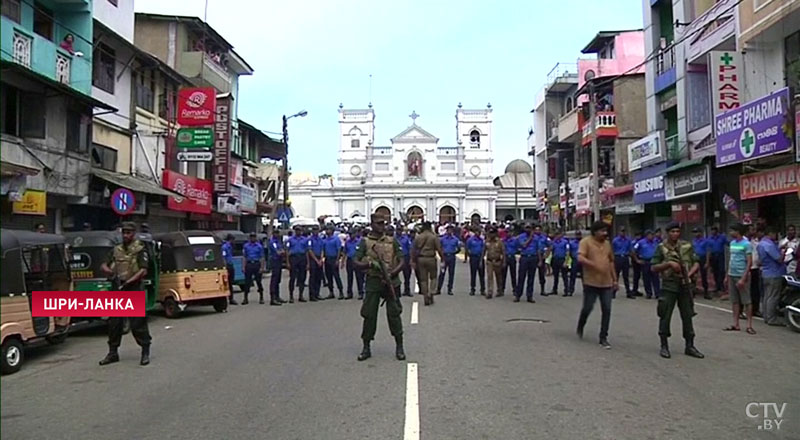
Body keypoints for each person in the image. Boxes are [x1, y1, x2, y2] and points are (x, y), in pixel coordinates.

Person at [99, 222, 152, 366]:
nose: (126, 235)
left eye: (128, 233)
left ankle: (145, 351)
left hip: (133, 288)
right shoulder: (116, 249)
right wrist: (108, 271)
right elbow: (104, 264)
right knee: (114, 323)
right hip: (118, 288)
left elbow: (143, 270)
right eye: (124, 232)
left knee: (137, 323)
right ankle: (112, 352)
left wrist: (129, 281)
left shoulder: (140, 249)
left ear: (133, 233)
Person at [354, 214, 405, 361]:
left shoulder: (392, 241)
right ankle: (366, 346)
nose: (382, 226)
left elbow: (402, 260)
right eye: (378, 223)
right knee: (369, 315)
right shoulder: (365, 242)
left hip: (391, 282)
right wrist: (370, 264)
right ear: (372, 224)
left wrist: (392, 273)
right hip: (373, 281)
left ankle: (399, 346)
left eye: (383, 223)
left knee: (394, 314)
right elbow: (355, 261)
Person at [651, 223, 705, 359]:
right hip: (669, 286)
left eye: (677, 231)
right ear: (667, 233)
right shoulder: (661, 248)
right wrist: (669, 264)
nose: (675, 234)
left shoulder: (687, 246)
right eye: (672, 231)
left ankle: (690, 345)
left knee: (687, 315)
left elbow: (696, 261)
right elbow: (654, 267)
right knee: (665, 315)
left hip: (685, 285)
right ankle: (664, 345)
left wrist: (690, 274)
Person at [576, 221, 616, 349]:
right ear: (595, 232)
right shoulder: (586, 242)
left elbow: (610, 262)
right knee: (588, 307)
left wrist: (615, 280)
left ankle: (603, 337)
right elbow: (580, 258)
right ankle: (581, 325)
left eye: (606, 231)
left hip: (606, 283)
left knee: (607, 309)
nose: (605, 233)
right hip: (591, 282)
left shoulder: (607, 244)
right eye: (602, 231)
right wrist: (594, 265)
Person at [724, 223, 755, 334]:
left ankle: (749, 325)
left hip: (742, 275)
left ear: (738, 231)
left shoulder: (746, 244)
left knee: (747, 301)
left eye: (732, 231)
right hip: (732, 274)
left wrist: (744, 278)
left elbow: (749, 262)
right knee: (735, 301)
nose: (731, 233)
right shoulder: (732, 243)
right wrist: (727, 275)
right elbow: (731, 260)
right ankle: (735, 324)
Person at [759, 226, 786, 326]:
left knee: (767, 296)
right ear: (770, 233)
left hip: (766, 272)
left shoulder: (761, 244)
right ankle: (771, 318)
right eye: (775, 234)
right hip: (774, 273)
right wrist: (783, 252)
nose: (776, 236)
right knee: (773, 297)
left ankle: (766, 316)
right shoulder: (769, 245)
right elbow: (778, 259)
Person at [412, 221, 443, 306]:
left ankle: (425, 295)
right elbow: (439, 249)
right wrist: (443, 259)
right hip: (431, 258)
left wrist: (413, 261)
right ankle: (431, 293)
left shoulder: (418, 237)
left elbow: (413, 250)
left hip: (421, 259)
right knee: (433, 277)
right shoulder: (433, 237)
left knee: (423, 279)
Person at [514, 224, 538, 303]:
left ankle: (529, 296)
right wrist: (530, 238)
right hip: (524, 257)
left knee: (531, 278)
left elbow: (538, 249)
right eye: (526, 228)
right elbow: (524, 245)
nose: (528, 229)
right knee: (521, 277)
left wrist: (540, 260)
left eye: (529, 228)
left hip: (533, 257)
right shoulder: (521, 237)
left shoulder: (536, 237)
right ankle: (518, 295)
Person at [632, 230, 659, 299]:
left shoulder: (655, 242)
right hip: (645, 261)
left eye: (652, 235)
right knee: (646, 278)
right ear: (647, 235)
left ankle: (657, 293)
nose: (652, 236)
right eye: (650, 235)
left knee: (655, 278)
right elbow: (633, 251)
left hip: (654, 261)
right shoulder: (640, 242)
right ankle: (648, 293)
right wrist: (637, 260)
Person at [242, 232, 266, 305]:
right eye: (251, 237)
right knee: (247, 282)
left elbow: (262, 257)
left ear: (256, 238)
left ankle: (261, 297)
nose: (253, 238)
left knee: (258, 281)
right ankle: (245, 298)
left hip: (256, 264)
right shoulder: (246, 246)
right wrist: (243, 267)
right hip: (249, 264)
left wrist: (262, 267)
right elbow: (244, 257)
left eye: (254, 237)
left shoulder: (259, 246)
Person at [287, 226, 310, 303]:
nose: (298, 232)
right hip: (293, 258)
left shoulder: (305, 240)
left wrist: (308, 263)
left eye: (299, 230)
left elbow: (307, 251)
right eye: (296, 230)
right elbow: (287, 251)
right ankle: (291, 296)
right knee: (292, 278)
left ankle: (301, 295)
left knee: (302, 277)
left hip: (302, 258)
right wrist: (287, 262)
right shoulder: (290, 240)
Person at [322, 226, 345, 300]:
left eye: (328, 229)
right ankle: (331, 292)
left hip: (334, 258)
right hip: (327, 259)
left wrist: (337, 260)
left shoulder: (336, 239)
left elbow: (338, 250)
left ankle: (341, 292)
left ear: (332, 231)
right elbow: (323, 250)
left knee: (336, 276)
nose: (327, 231)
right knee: (328, 276)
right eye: (326, 229)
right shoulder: (325, 240)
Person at [437, 225, 461, 295]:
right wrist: (441, 255)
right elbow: (439, 247)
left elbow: (459, 248)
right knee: (442, 273)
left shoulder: (455, 239)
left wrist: (455, 252)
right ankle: (438, 288)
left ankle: (450, 289)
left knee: (451, 274)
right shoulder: (442, 239)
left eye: (451, 230)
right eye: (448, 230)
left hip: (452, 257)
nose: (449, 231)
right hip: (444, 257)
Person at [484, 226, 506, 299]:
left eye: (493, 233)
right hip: (489, 261)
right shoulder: (487, 241)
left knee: (498, 277)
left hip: (497, 261)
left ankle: (500, 290)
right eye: (490, 233)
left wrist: (504, 262)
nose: (491, 235)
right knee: (489, 277)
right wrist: (481, 260)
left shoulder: (500, 242)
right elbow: (484, 251)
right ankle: (490, 292)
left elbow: (503, 252)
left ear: (496, 234)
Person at [612, 228, 634, 299]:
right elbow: (612, 250)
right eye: (621, 231)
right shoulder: (615, 240)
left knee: (626, 276)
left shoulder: (628, 240)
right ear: (619, 232)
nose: (623, 233)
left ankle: (628, 292)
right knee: (616, 276)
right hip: (618, 257)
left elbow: (630, 249)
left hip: (625, 257)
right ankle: (613, 292)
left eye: (624, 231)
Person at [692, 227, 712, 300]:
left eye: (697, 232)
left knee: (704, 276)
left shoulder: (705, 241)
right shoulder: (694, 240)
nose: (695, 234)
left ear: (700, 233)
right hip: (695, 258)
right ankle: (693, 291)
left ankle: (706, 292)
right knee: (694, 275)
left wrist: (707, 262)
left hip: (703, 258)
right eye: (694, 232)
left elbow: (708, 252)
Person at [268, 230, 287, 306]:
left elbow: (283, 250)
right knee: (274, 279)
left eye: (278, 233)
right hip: (275, 261)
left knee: (278, 279)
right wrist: (282, 252)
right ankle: (272, 298)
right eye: (276, 233)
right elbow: (278, 252)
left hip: (279, 261)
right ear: (273, 234)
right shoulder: (273, 242)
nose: (278, 234)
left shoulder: (279, 241)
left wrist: (283, 252)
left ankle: (277, 296)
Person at [465, 227, 486, 296]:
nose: (478, 233)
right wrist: (469, 255)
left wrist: (482, 258)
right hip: (473, 257)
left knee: (482, 275)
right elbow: (467, 248)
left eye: (479, 232)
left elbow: (483, 249)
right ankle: (472, 289)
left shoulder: (482, 240)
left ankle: (482, 289)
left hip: (480, 257)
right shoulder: (470, 240)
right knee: (473, 274)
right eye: (477, 232)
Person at [345, 229, 365, 300]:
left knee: (359, 277)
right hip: (350, 260)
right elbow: (345, 251)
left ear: (355, 234)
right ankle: (349, 293)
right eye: (350, 234)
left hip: (357, 260)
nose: (351, 236)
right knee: (349, 277)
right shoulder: (347, 242)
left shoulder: (359, 242)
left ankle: (361, 292)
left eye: (352, 234)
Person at [708, 226, 728, 296]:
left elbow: (728, 243)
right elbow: (709, 249)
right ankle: (717, 286)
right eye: (712, 230)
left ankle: (721, 285)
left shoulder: (722, 237)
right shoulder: (710, 238)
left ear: (717, 231)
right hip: (713, 256)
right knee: (715, 271)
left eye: (714, 230)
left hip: (720, 255)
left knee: (721, 270)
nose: (713, 232)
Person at [748, 225, 763, 317]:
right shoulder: (745, 241)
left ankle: (755, 309)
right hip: (747, 268)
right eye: (752, 230)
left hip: (756, 268)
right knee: (747, 290)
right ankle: (747, 309)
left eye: (755, 230)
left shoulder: (759, 242)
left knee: (756, 290)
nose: (753, 231)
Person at [308, 225, 325, 301]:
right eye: (314, 230)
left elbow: (322, 250)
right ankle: (312, 295)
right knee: (313, 277)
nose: (316, 231)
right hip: (313, 259)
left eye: (317, 230)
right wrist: (316, 260)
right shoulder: (310, 240)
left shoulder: (320, 239)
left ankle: (317, 293)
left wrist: (321, 259)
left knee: (319, 277)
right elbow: (310, 250)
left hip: (319, 258)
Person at [549, 230, 570, 296]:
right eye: (556, 235)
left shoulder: (565, 242)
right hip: (555, 259)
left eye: (558, 234)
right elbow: (551, 250)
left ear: (561, 235)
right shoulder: (554, 242)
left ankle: (566, 290)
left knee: (564, 276)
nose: (557, 236)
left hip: (562, 259)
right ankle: (555, 289)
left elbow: (567, 252)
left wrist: (566, 262)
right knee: (555, 275)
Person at [534, 225, 551, 296]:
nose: (537, 231)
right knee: (530, 274)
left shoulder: (544, 238)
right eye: (536, 230)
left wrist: (547, 254)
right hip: (534, 256)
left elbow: (550, 246)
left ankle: (542, 290)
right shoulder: (532, 237)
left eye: (538, 230)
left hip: (542, 255)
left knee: (542, 274)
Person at [222, 234, 238, 305]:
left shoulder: (230, 247)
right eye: (233, 240)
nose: (234, 241)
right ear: (230, 239)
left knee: (231, 282)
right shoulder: (225, 247)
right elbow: (223, 258)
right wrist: (225, 269)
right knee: (227, 283)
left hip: (230, 265)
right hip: (227, 266)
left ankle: (231, 298)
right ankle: (228, 298)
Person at [397, 228, 414, 297]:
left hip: (405, 257)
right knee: (395, 275)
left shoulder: (406, 238)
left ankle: (407, 290)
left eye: (400, 230)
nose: (399, 231)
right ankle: (397, 291)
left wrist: (411, 259)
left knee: (407, 275)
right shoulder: (394, 238)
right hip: (397, 258)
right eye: (398, 230)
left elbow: (410, 248)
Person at [502, 229, 519, 295]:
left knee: (513, 274)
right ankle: (502, 289)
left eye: (510, 232)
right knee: (503, 274)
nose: (509, 233)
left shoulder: (515, 240)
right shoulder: (503, 240)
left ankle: (514, 289)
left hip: (512, 257)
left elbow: (518, 248)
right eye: (507, 232)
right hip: (505, 257)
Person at [567, 231, 582, 296]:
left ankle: (586, 291)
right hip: (575, 260)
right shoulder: (572, 243)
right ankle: (571, 290)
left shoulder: (583, 243)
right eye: (577, 235)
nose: (578, 236)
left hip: (582, 260)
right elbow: (569, 252)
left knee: (584, 277)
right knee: (572, 276)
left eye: (579, 235)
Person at [630, 231, 643, 296]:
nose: (639, 237)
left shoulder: (640, 242)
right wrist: (637, 260)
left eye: (640, 235)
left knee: (638, 276)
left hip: (640, 258)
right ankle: (634, 290)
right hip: (635, 259)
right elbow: (633, 251)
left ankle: (636, 289)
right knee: (636, 275)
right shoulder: (635, 242)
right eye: (638, 235)